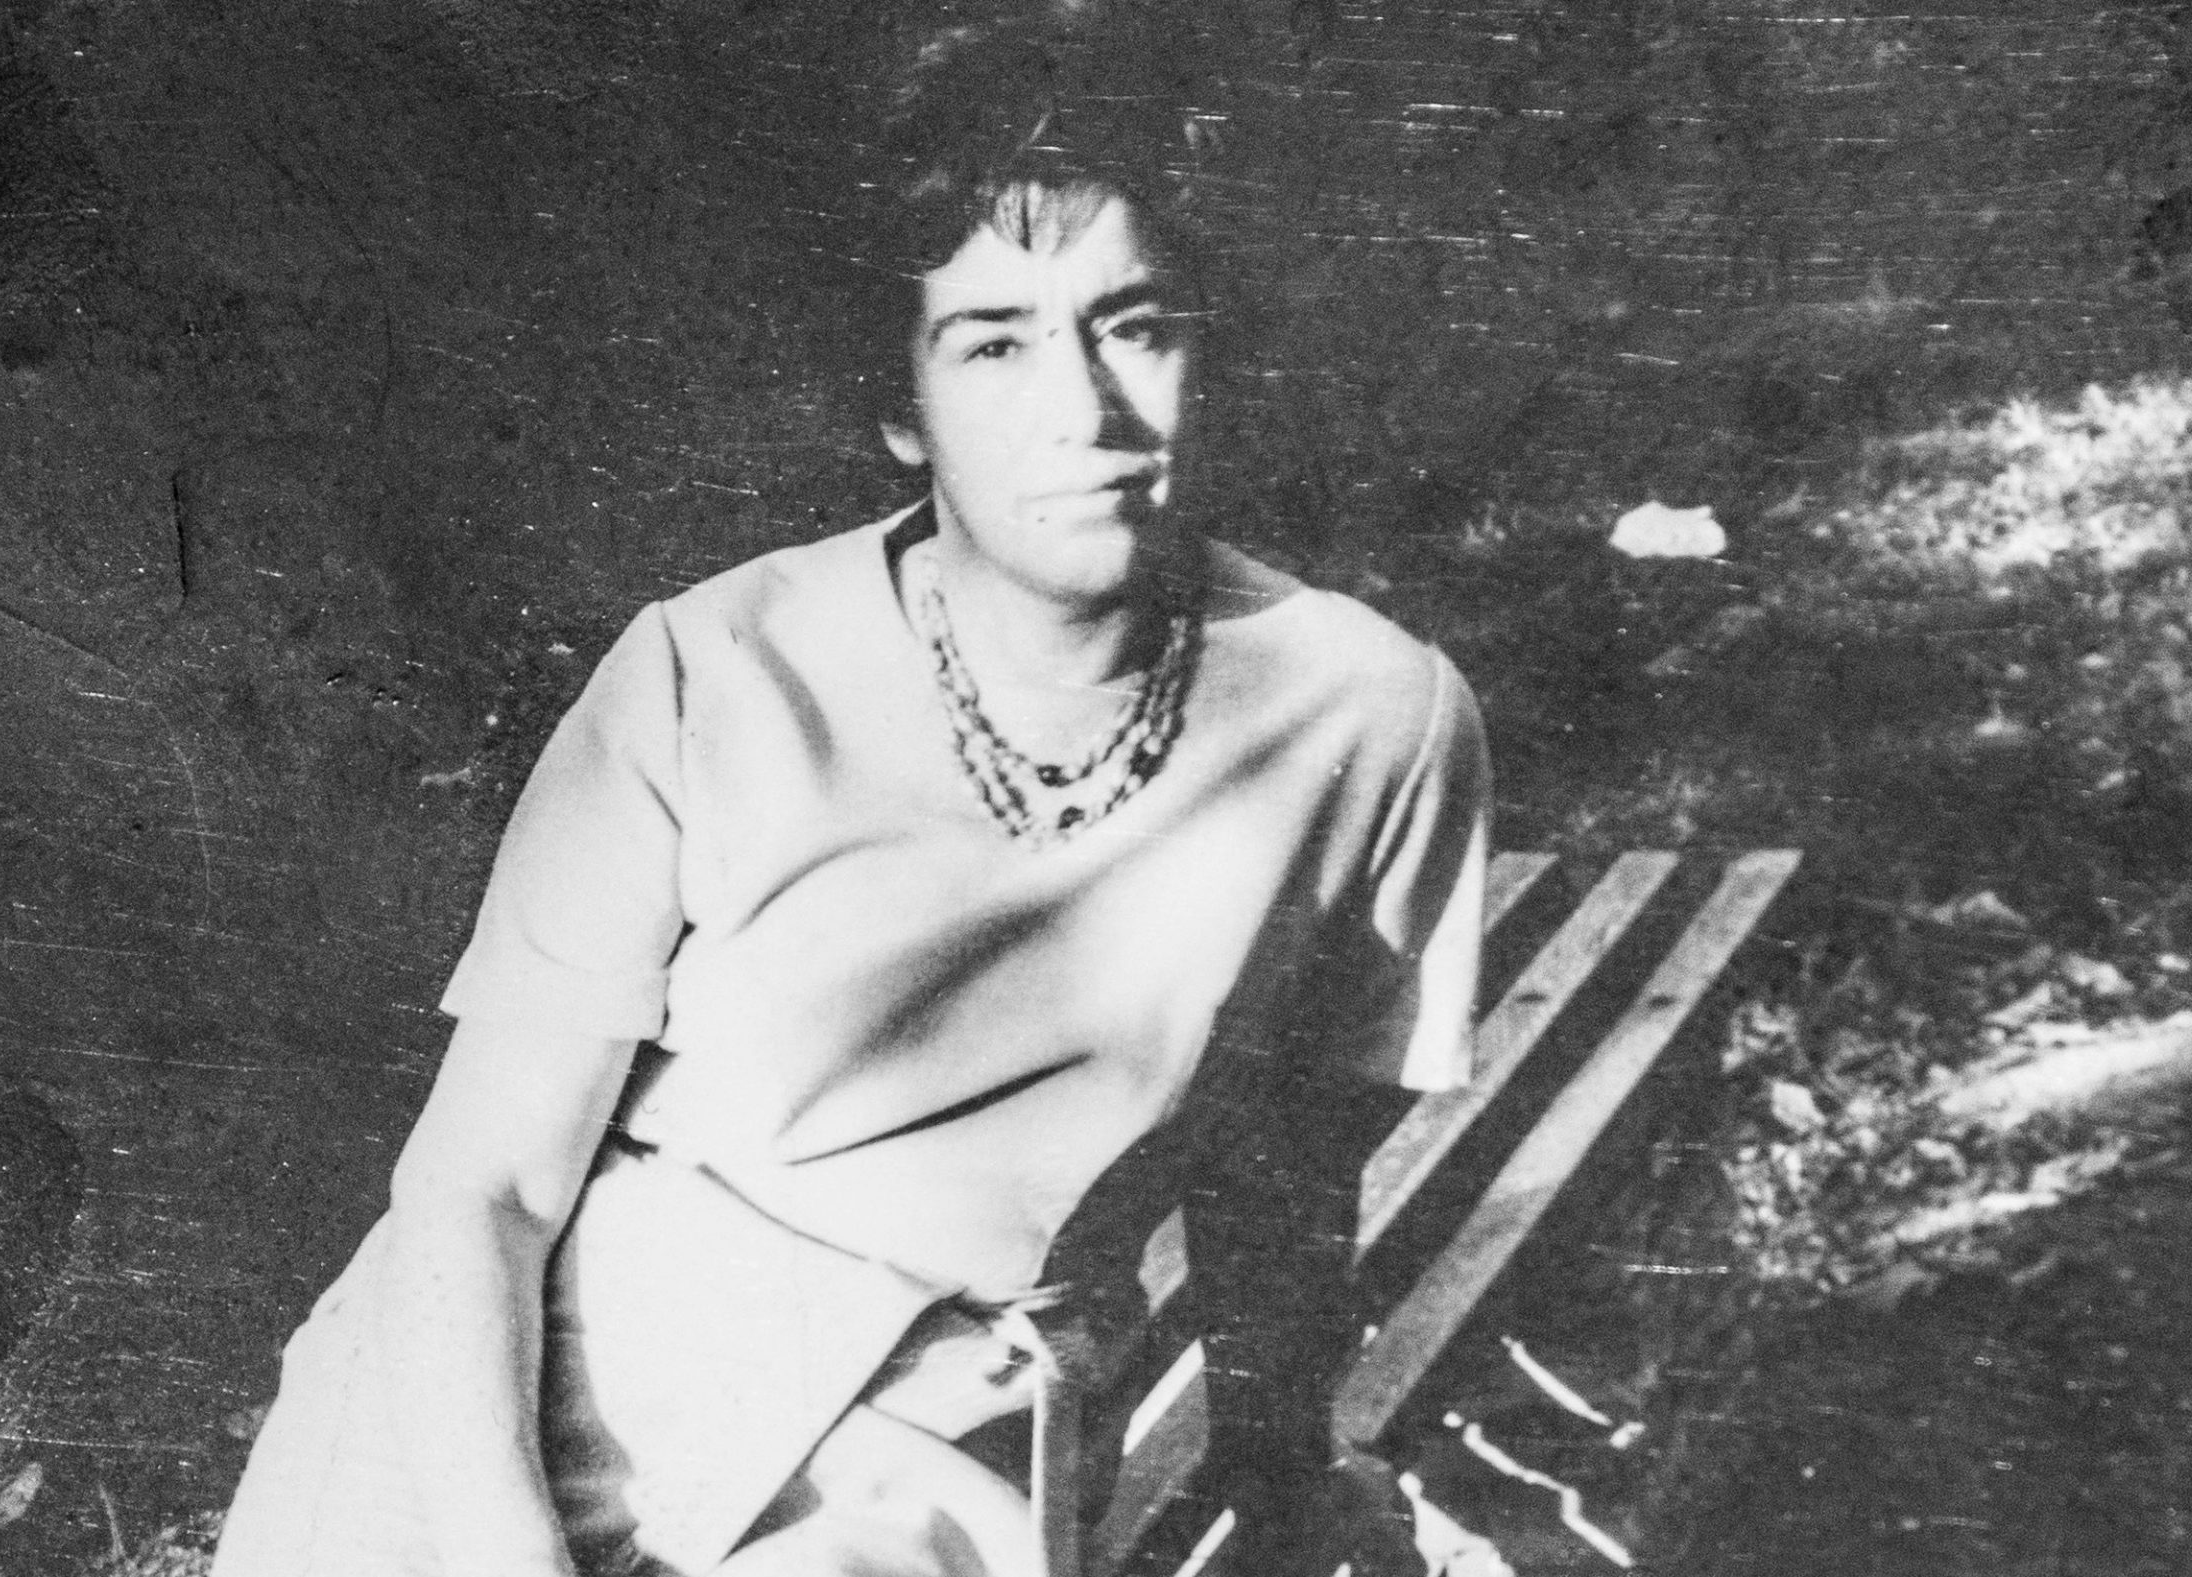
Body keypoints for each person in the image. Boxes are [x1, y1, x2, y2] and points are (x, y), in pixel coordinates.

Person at [213, 11, 1490, 1576]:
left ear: (1212, 351)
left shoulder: (1369, 711)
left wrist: (1288, 1474)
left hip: (921, 1438)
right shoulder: (712, 671)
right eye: (995, 343)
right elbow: (486, 1185)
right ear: (902, 405)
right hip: (543, 1359)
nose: (1083, 411)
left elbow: (1289, 1173)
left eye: (1136, 325)